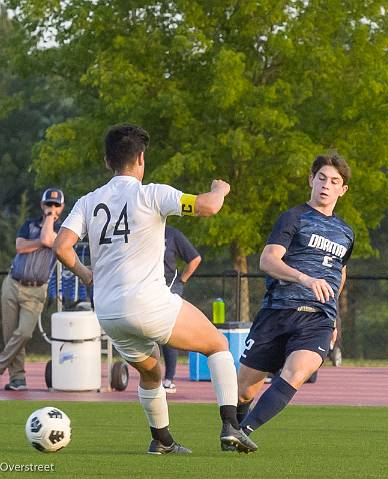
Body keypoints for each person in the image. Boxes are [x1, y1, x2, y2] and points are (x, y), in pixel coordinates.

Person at [52, 124, 256, 454]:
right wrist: (220, 189)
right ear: (142, 158)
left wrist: (87, 275)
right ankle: (231, 426)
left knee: (152, 372)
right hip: (148, 303)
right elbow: (208, 207)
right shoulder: (152, 194)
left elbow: (62, 247)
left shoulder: (88, 202)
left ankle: (161, 440)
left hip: (107, 312)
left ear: (107, 161)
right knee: (217, 345)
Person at [232, 153, 354, 445]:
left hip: (317, 319)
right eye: (321, 178)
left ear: (343, 190)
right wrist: (305, 278)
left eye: (334, 181)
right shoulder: (293, 217)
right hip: (278, 312)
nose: (326, 185)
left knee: (297, 372)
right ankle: (232, 430)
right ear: (311, 180)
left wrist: (334, 315)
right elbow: (267, 260)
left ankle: (243, 433)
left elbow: (340, 273)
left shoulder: (347, 233)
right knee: (243, 390)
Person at [0, 188, 65, 392]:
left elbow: (49, 240)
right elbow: (20, 246)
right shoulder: (29, 224)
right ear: (42, 204)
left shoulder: (62, 231)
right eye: (49, 204)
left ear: (62, 208)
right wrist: (40, 242)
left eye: (56, 205)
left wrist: (48, 222)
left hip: (36, 291)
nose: (52, 208)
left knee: (24, 333)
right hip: (13, 283)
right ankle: (17, 378)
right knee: (10, 333)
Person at [162, 225, 202, 392]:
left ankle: (168, 379)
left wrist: (181, 282)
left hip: (169, 287)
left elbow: (195, 258)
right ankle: (150, 378)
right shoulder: (140, 230)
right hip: (144, 289)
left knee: (167, 333)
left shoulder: (171, 234)